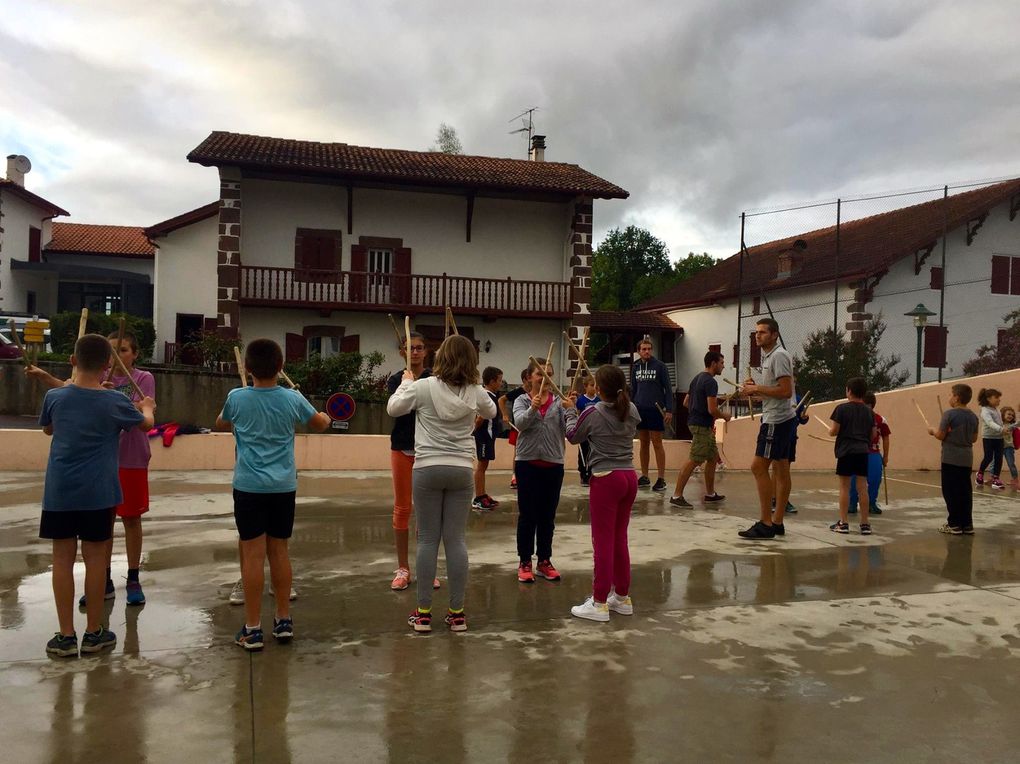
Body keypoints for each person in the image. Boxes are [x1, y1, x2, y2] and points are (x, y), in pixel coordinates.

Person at [39, 334, 155, 657]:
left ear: (73, 361)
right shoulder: (114, 401)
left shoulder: (54, 397)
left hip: (59, 492)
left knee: (61, 560)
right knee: (94, 559)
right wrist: (147, 406)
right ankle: (94, 632)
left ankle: (65, 635)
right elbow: (145, 424)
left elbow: (48, 429)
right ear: (108, 366)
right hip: (99, 493)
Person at [216, 339, 331, 651]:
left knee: (252, 555)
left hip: (249, 487)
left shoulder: (236, 397)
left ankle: (252, 629)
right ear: (281, 368)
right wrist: (325, 414)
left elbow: (222, 422)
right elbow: (320, 424)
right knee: (279, 552)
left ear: (247, 368)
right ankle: (283, 620)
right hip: (282, 486)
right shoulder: (292, 398)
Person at [387, 334, 496, 633]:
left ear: (440, 358)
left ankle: (423, 614)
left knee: (426, 540)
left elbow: (393, 408)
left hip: (427, 468)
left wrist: (406, 383)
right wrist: (477, 391)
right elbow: (493, 412)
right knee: (456, 540)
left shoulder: (422, 387)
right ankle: (457, 613)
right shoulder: (475, 391)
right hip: (461, 469)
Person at [563, 364, 640, 622]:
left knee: (603, 542)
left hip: (606, 478)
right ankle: (622, 597)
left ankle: (598, 602)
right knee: (619, 538)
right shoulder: (631, 409)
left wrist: (570, 413)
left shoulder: (592, 412)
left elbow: (573, 436)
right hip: (629, 475)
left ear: (600, 388)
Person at [737, 319, 797, 539]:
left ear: (774, 335)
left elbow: (785, 390)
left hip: (777, 421)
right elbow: (776, 393)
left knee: (758, 467)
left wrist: (757, 387)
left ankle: (765, 522)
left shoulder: (779, 356)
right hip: (783, 417)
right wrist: (756, 392)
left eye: (762, 332)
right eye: (756, 333)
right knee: (781, 469)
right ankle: (777, 521)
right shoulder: (770, 356)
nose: (758, 336)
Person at [385, 331, 434, 591]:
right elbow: (399, 408)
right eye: (410, 348)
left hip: (428, 449)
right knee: (402, 509)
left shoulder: (435, 379)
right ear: (402, 352)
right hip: (402, 448)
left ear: (426, 351)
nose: (415, 352)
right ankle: (403, 568)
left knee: (426, 513)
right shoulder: (395, 379)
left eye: (419, 347)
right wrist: (407, 384)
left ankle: (427, 567)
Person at [513, 355, 567, 583]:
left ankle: (544, 560)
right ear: (530, 378)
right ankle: (525, 560)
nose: (545, 377)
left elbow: (570, 431)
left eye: (549, 373)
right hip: (527, 464)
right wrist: (533, 408)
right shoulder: (522, 401)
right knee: (528, 515)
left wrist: (571, 409)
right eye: (540, 374)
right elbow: (520, 424)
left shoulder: (558, 402)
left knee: (548, 516)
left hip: (553, 464)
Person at [670, 351, 730, 508]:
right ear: (713, 363)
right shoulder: (710, 382)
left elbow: (685, 403)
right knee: (694, 460)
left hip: (695, 422)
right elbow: (712, 409)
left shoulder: (696, 378)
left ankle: (710, 494)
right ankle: (676, 496)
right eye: (721, 363)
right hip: (702, 425)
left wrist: (697, 408)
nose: (723, 366)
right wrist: (725, 416)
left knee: (711, 459)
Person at [825, 377, 876, 535]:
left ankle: (844, 523)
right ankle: (865, 524)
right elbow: (873, 434)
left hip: (846, 451)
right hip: (862, 451)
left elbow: (834, 431)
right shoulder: (869, 412)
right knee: (863, 488)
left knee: (844, 487)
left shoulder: (841, 409)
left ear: (849, 391)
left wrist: (830, 431)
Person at [927, 384, 979, 534]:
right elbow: (974, 438)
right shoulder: (973, 416)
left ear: (956, 397)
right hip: (967, 458)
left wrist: (932, 431)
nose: (949, 397)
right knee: (965, 491)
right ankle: (967, 524)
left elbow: (941, 435)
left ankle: (954, 524)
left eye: (951, 394)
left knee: (951, 491)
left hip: (950, 458)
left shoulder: (949, 414)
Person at [629, 338, 673, 492]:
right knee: (643, 443)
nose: (646, 351)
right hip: (640, 409)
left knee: (657, 443)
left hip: (656, 409)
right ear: (638, 351)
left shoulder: (660, 366)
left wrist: (669, 410)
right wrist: (630, 407)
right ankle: (645, 475)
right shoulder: (635, 367)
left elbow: (668, 388)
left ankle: (661, 478)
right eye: (643, 349)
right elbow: (633, 390)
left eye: (649, 349)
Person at [849, 391, 891, 515]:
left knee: (875, 479)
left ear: (871, 405)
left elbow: (886, 437)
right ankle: (852, 503)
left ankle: (871, 503)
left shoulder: (880, 420)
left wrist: (886, 456)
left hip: (873, 452)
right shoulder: (854, 418)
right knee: (853, 478)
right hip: (856, 452)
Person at [472, 366, 504, 510]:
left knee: (484, 466)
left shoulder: (492, 396)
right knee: (481, 466)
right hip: (484, 435)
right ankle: (478, 497)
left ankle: (483, 494)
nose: (501, 384)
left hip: (489, 436)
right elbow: (479, 417)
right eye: (499, 380)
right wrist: (476, 428)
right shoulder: (485, 396)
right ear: (491, 381)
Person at [498, 369, 531, 490]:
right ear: (525, 380)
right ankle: (515, 476)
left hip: (531, 427)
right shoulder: (518, 392)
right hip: (518, 426)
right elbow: (501, 400)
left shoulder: (536, 392)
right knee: (518, 451)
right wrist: (504, 414)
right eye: (529, 379)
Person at [976, 388, 1007, 489]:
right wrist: (1000, 429)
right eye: (996, 398)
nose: (999, 400)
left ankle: (996, 478)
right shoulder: (985, 410)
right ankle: (980, 473)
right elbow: (990, 423)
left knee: (999, 458)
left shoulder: (996, 409)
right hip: (988, 438)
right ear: (988, 399)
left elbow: (999, 422)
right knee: (988, 457)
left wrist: (1004, 430)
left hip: (999, 438)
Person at [575, 375, 600, 487]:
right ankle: (583, 473)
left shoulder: (598, 400)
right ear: (585, 386)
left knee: (593, 452)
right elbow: (579, 414)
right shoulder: (581, 400)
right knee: (583, 452)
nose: (594, 388)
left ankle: (590, 472)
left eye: (595, 385)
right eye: (591, 385)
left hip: (595, 432)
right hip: (584, 431)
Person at [1002, 405, 1019, 489]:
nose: (1010, 416)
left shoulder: (1012, 425)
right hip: (999, 447)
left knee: (1011, 464)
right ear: (1003, 414)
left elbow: (1014, 426)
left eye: (1012, 415)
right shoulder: (999, 424)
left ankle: (1015, 479)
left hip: (1009, 447)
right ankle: (993, 477)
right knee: (994, 463)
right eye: (1008, 414)